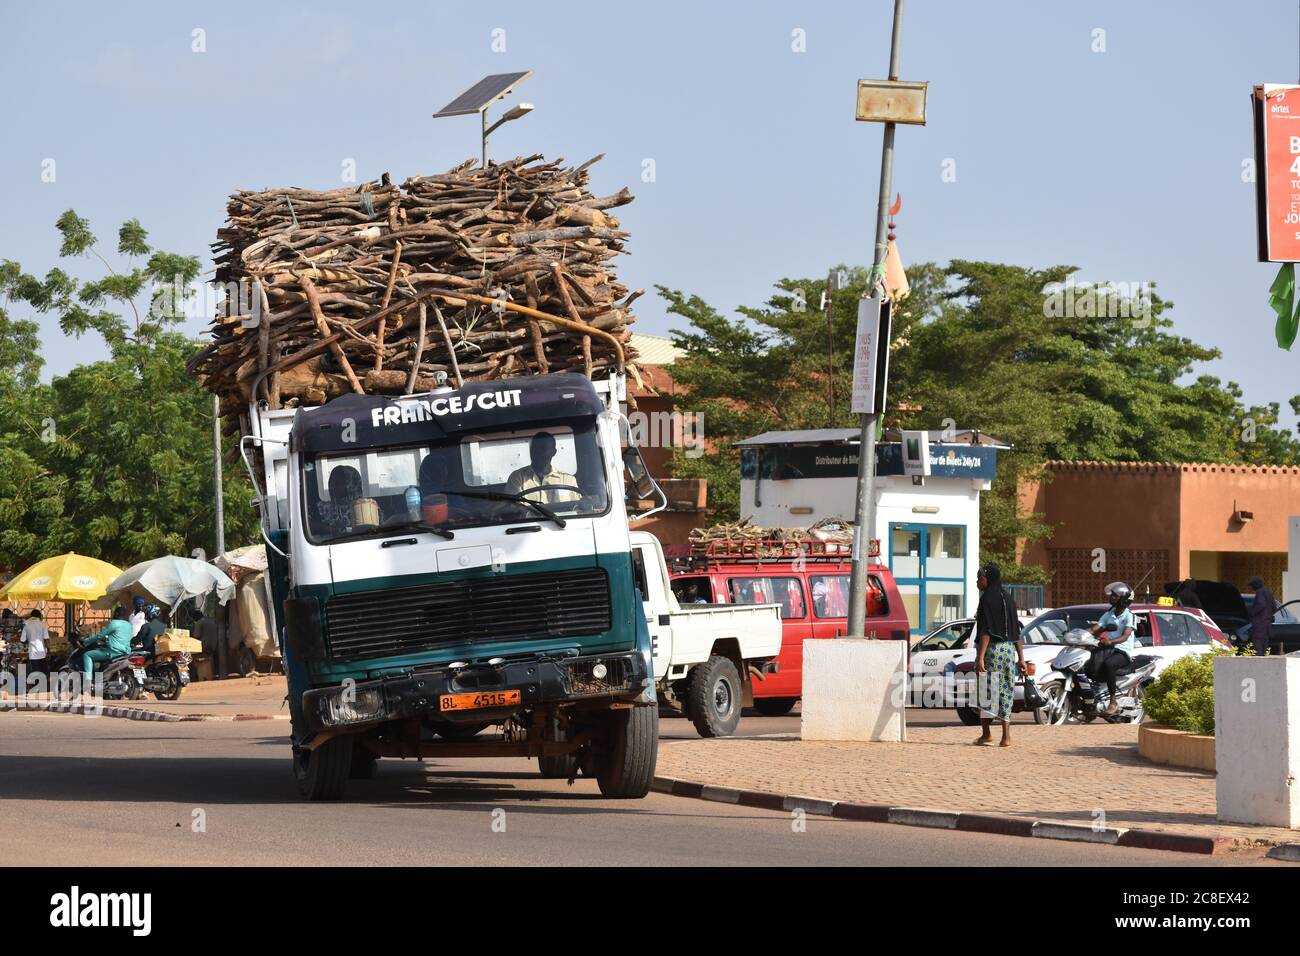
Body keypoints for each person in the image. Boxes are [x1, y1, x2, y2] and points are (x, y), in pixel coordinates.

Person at [972, 563, 1026, 747]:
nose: (978, 582)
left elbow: (986, 630)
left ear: (988, 579)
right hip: (1009, 651)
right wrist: (1022, 659)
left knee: (986, 692)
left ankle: (986, 734)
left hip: (992, 651)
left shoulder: (987, 599)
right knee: (1006, 690)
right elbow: (1015, 631)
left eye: (980, 578)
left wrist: (980, 657)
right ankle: (1006, 736)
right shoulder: (1008, 597)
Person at [1086, 582, 1136, 715]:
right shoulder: (1109, 614)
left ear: (1123, 599)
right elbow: (1095, 628)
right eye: (1112, 595)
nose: (1111, 598)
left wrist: (1111, 641)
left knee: (1108, 664)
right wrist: (1080, 636)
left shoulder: (1129, 616)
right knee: (1088, 662)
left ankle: (1113, 701)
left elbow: (1125, 636)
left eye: (1115, 596)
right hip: (1108, 648)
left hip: (1122, 651)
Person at [504, 432, 580, 505]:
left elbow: (578, 508)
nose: (538, 452)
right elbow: (513, 508)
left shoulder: (568, 480)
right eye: (534, 448)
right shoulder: (517, 477)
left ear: (554, 452)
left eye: (543, 448)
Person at [81, 606, 133, 681]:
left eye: (114, 613)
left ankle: (88, 681)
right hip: (125, 653)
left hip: (113, 652)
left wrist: (87, 641)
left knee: (87, 655)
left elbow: (99, 635)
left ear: (117, 614)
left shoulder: (114, 623)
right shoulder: (128, 625)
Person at [1248, 576, 1278, 657]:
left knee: (1258, 648)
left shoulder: (1260, 592)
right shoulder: (1269, 592)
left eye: (1252, 585)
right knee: (1265, 647)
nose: (1252, 588)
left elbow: (1261, 604)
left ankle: (1259, 667)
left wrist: (1252, 613)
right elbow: (1274, 608)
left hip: (1259, 625)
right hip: (1267, 625)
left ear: (1256, 585)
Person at [21, 610, 49, 678]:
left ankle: (36, 686)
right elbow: (46, 639)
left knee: (35, 672)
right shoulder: (43, 624)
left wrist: (29, 639)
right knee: (43, 672)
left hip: (32, 653)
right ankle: (43, 686)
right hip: (42, 652)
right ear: (39, 616)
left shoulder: (27, 626)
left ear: (31, 616)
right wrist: (49, 651)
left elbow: (22, 640)